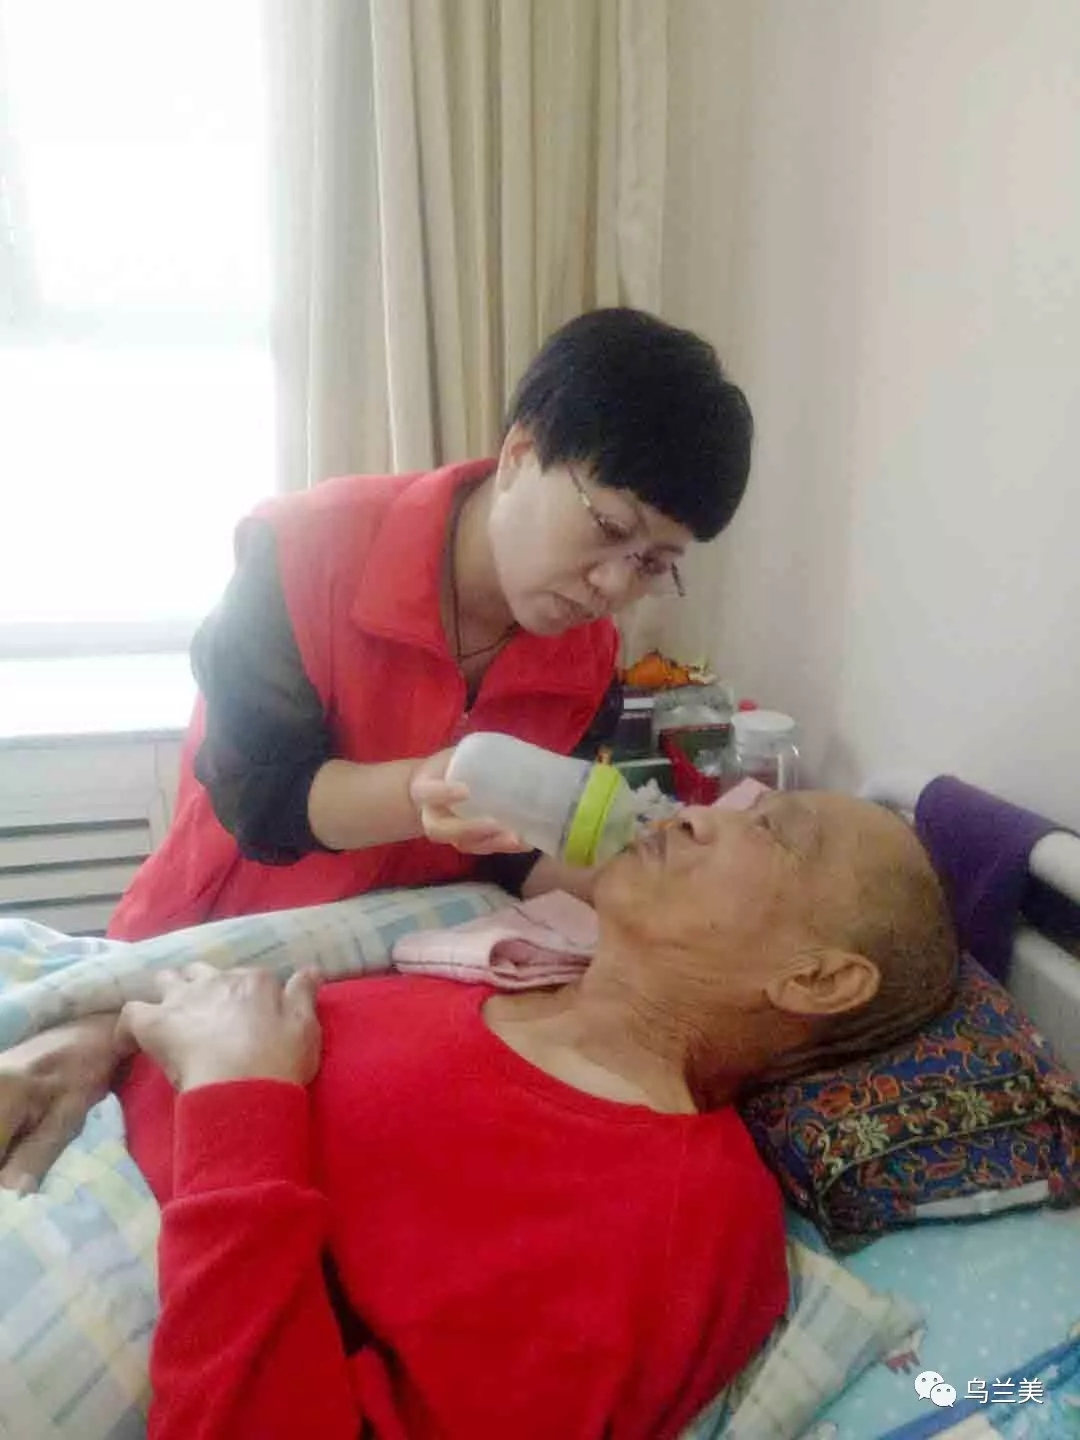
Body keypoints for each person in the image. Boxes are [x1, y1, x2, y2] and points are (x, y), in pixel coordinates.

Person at [0, 790, 960, 1439]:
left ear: (818, 979)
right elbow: (221, 1008)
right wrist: (97, 1036)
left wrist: (236, 1101)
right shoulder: (483, 964)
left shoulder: (680, 1231)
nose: (695, 811)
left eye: (773, 830)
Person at [107, 307, 755, 942]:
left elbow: (514, 856)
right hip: (215, 941)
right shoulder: (305, 551)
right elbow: (260, 801)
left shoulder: (586, 657)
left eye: (652, 563)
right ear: (520, 454)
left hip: (396, 960)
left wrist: (657, 877)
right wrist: (420, 791)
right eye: (609, 528)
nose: (614, 586)